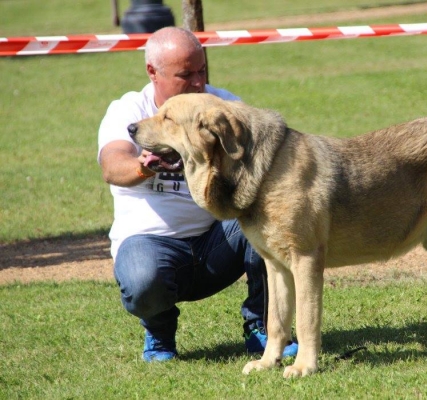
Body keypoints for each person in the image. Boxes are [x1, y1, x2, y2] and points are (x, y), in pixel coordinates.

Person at [97, 26, 297, 362]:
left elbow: (267, 160)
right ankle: (159, 334)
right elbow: (112, 167)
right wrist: (146, 167)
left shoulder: (220, 106)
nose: (197, 82)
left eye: (202, 70)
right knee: (142, 279)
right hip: (152, 243)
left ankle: (262, 324)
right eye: (185, 74)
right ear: (152, 72)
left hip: (219, 240)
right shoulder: (128, 110)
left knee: (269, 216)